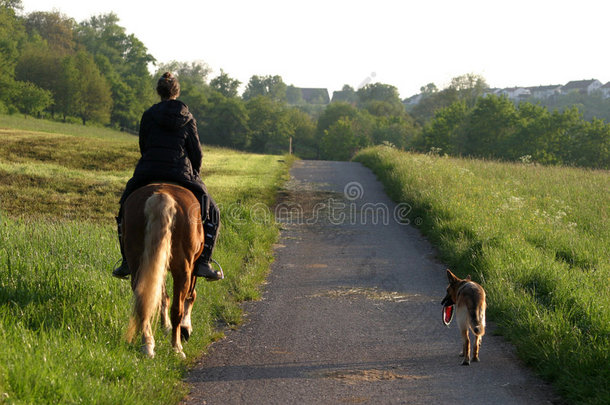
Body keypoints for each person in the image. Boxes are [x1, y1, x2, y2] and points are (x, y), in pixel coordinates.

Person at [112, 72, 223, 281]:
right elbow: (196, 153)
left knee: (124, 206)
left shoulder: (148, 115)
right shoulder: (188, 117)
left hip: (148, 172)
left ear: (158, 92)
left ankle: (127, 260)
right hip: (181, 173)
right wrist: (194, 173)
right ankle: (204, 262)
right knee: (213, 213)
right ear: (177, 91)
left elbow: (143, 146)